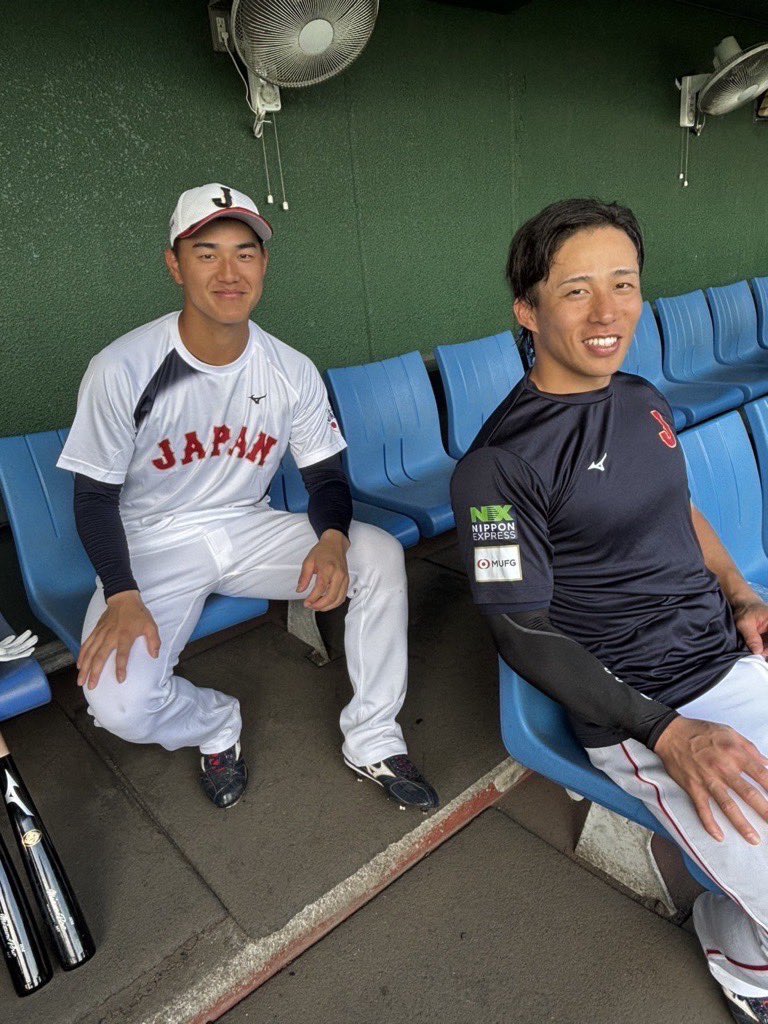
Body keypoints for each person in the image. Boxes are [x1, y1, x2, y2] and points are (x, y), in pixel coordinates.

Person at [450, 198, 768, 1023]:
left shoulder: (642, 397)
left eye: (623, 284)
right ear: (527, 310)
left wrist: (740, 591)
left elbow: (679, 504)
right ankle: (744, 961)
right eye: (577, 290)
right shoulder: (496, 467)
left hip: (728, 658)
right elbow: (520, 630)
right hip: (649, 709)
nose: (608, 312)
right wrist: (666, 731)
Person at [57, 183, 438, 813]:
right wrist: (122, 594)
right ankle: (214, 723)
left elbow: (326, 477)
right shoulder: (123, 368)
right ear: (174, 265)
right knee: (119, 704)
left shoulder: (290, 369)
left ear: (263, 266)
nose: (229, 272)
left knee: (375, 555)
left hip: (245, 526)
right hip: (151, 542)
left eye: (245, 252)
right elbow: (93, 498)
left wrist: (335, 540)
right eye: (207, 254)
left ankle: (372, 736)